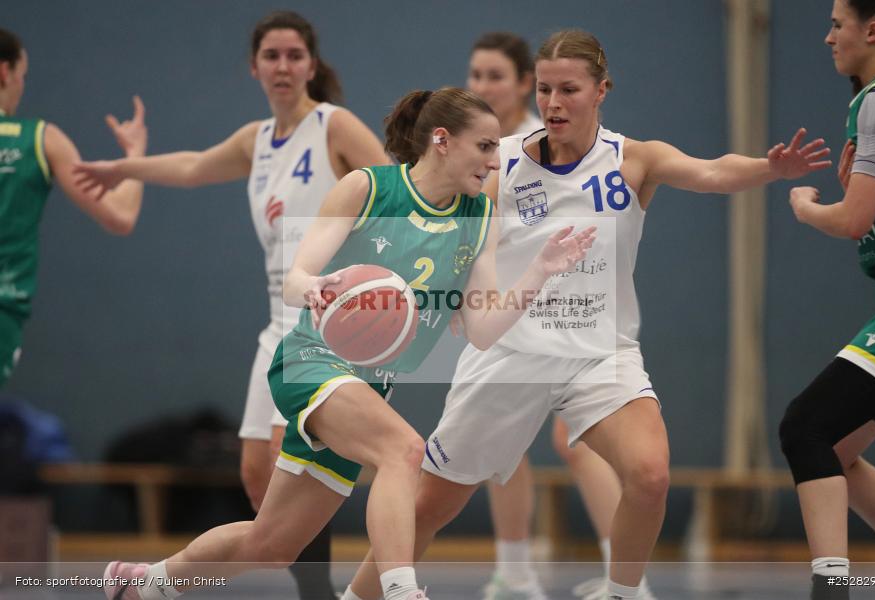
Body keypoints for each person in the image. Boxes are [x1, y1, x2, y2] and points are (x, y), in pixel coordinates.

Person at [342, 29, 830, 600]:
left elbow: (712, 171)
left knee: (650, 476)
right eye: (545, 90)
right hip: (511, 355)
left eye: (568, 89)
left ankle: (621, 594)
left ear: (602, 90)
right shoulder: (503, 169)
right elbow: (459, 236)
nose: (552, 103)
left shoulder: (633, 159)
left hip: (600, 353)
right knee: (429, 508)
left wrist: (771, 169)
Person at [87, 85, 595, 600]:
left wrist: (539, 272)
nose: (494, 161)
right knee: (404, 450)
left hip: (369, 388)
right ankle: (401, 592)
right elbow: (295, 275)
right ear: (441, 139)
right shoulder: (367, 188)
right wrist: (312, 287)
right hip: (312, 362)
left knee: (271, 544)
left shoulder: (478, 219)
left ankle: (146, 585)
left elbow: (483, 331)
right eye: (485, 147)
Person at [73, 11, 389, 598]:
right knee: (254, 474)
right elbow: (193, 166)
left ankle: (312, 592)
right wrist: (122, 166)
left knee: (287, 463)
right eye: (271, 55)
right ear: (254, 66)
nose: (283, 66)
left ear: (311, 66)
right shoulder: (256, 139)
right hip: (277, 321)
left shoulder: (334, 126)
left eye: (295, 55)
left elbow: (391, 190)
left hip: (324, 324)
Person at [466, 31, 630, 600]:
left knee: (575, 439)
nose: (481, 86)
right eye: (475, 75)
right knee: (498, 448)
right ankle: (515, 572)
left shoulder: (547, 144)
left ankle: (624, 574)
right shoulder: (483, 151)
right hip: (506, 316)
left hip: (573, 313)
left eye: (493, 76)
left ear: (519, 84)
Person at [780, 1, 875, 598]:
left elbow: (856, 220)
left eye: (837, 24)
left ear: (872, 30)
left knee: (807, 428)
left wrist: (805, 208)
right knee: (840, 448)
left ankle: (833, 588)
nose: (828, 37)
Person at [0, 27, 145, 388]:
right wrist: (135, 155)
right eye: (23, 76)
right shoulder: (39, 138)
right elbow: (120, 215)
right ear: (5, 73)